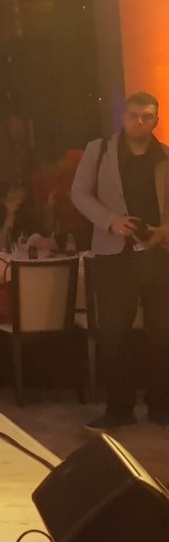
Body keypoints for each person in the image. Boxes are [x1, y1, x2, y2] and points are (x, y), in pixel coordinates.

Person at [71, 92, 169, 431]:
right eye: (133, 115)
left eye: (147, 116)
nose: (139, 121)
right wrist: (110, 220)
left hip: (159, 255)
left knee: (163, 334)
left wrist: (164, 233)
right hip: (114, 253)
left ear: (156, 120)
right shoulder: (98, 150)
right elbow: (79, 193)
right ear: (123, 117)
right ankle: (119, 408)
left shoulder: (166, 156)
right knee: (113, 334)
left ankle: (162, 405)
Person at [0, 181, 41, 250]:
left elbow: (40, 233)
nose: (19, 193)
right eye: (13, 190)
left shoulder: (24, 209)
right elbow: (1, 244)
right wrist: (10, 214)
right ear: (2, 197)